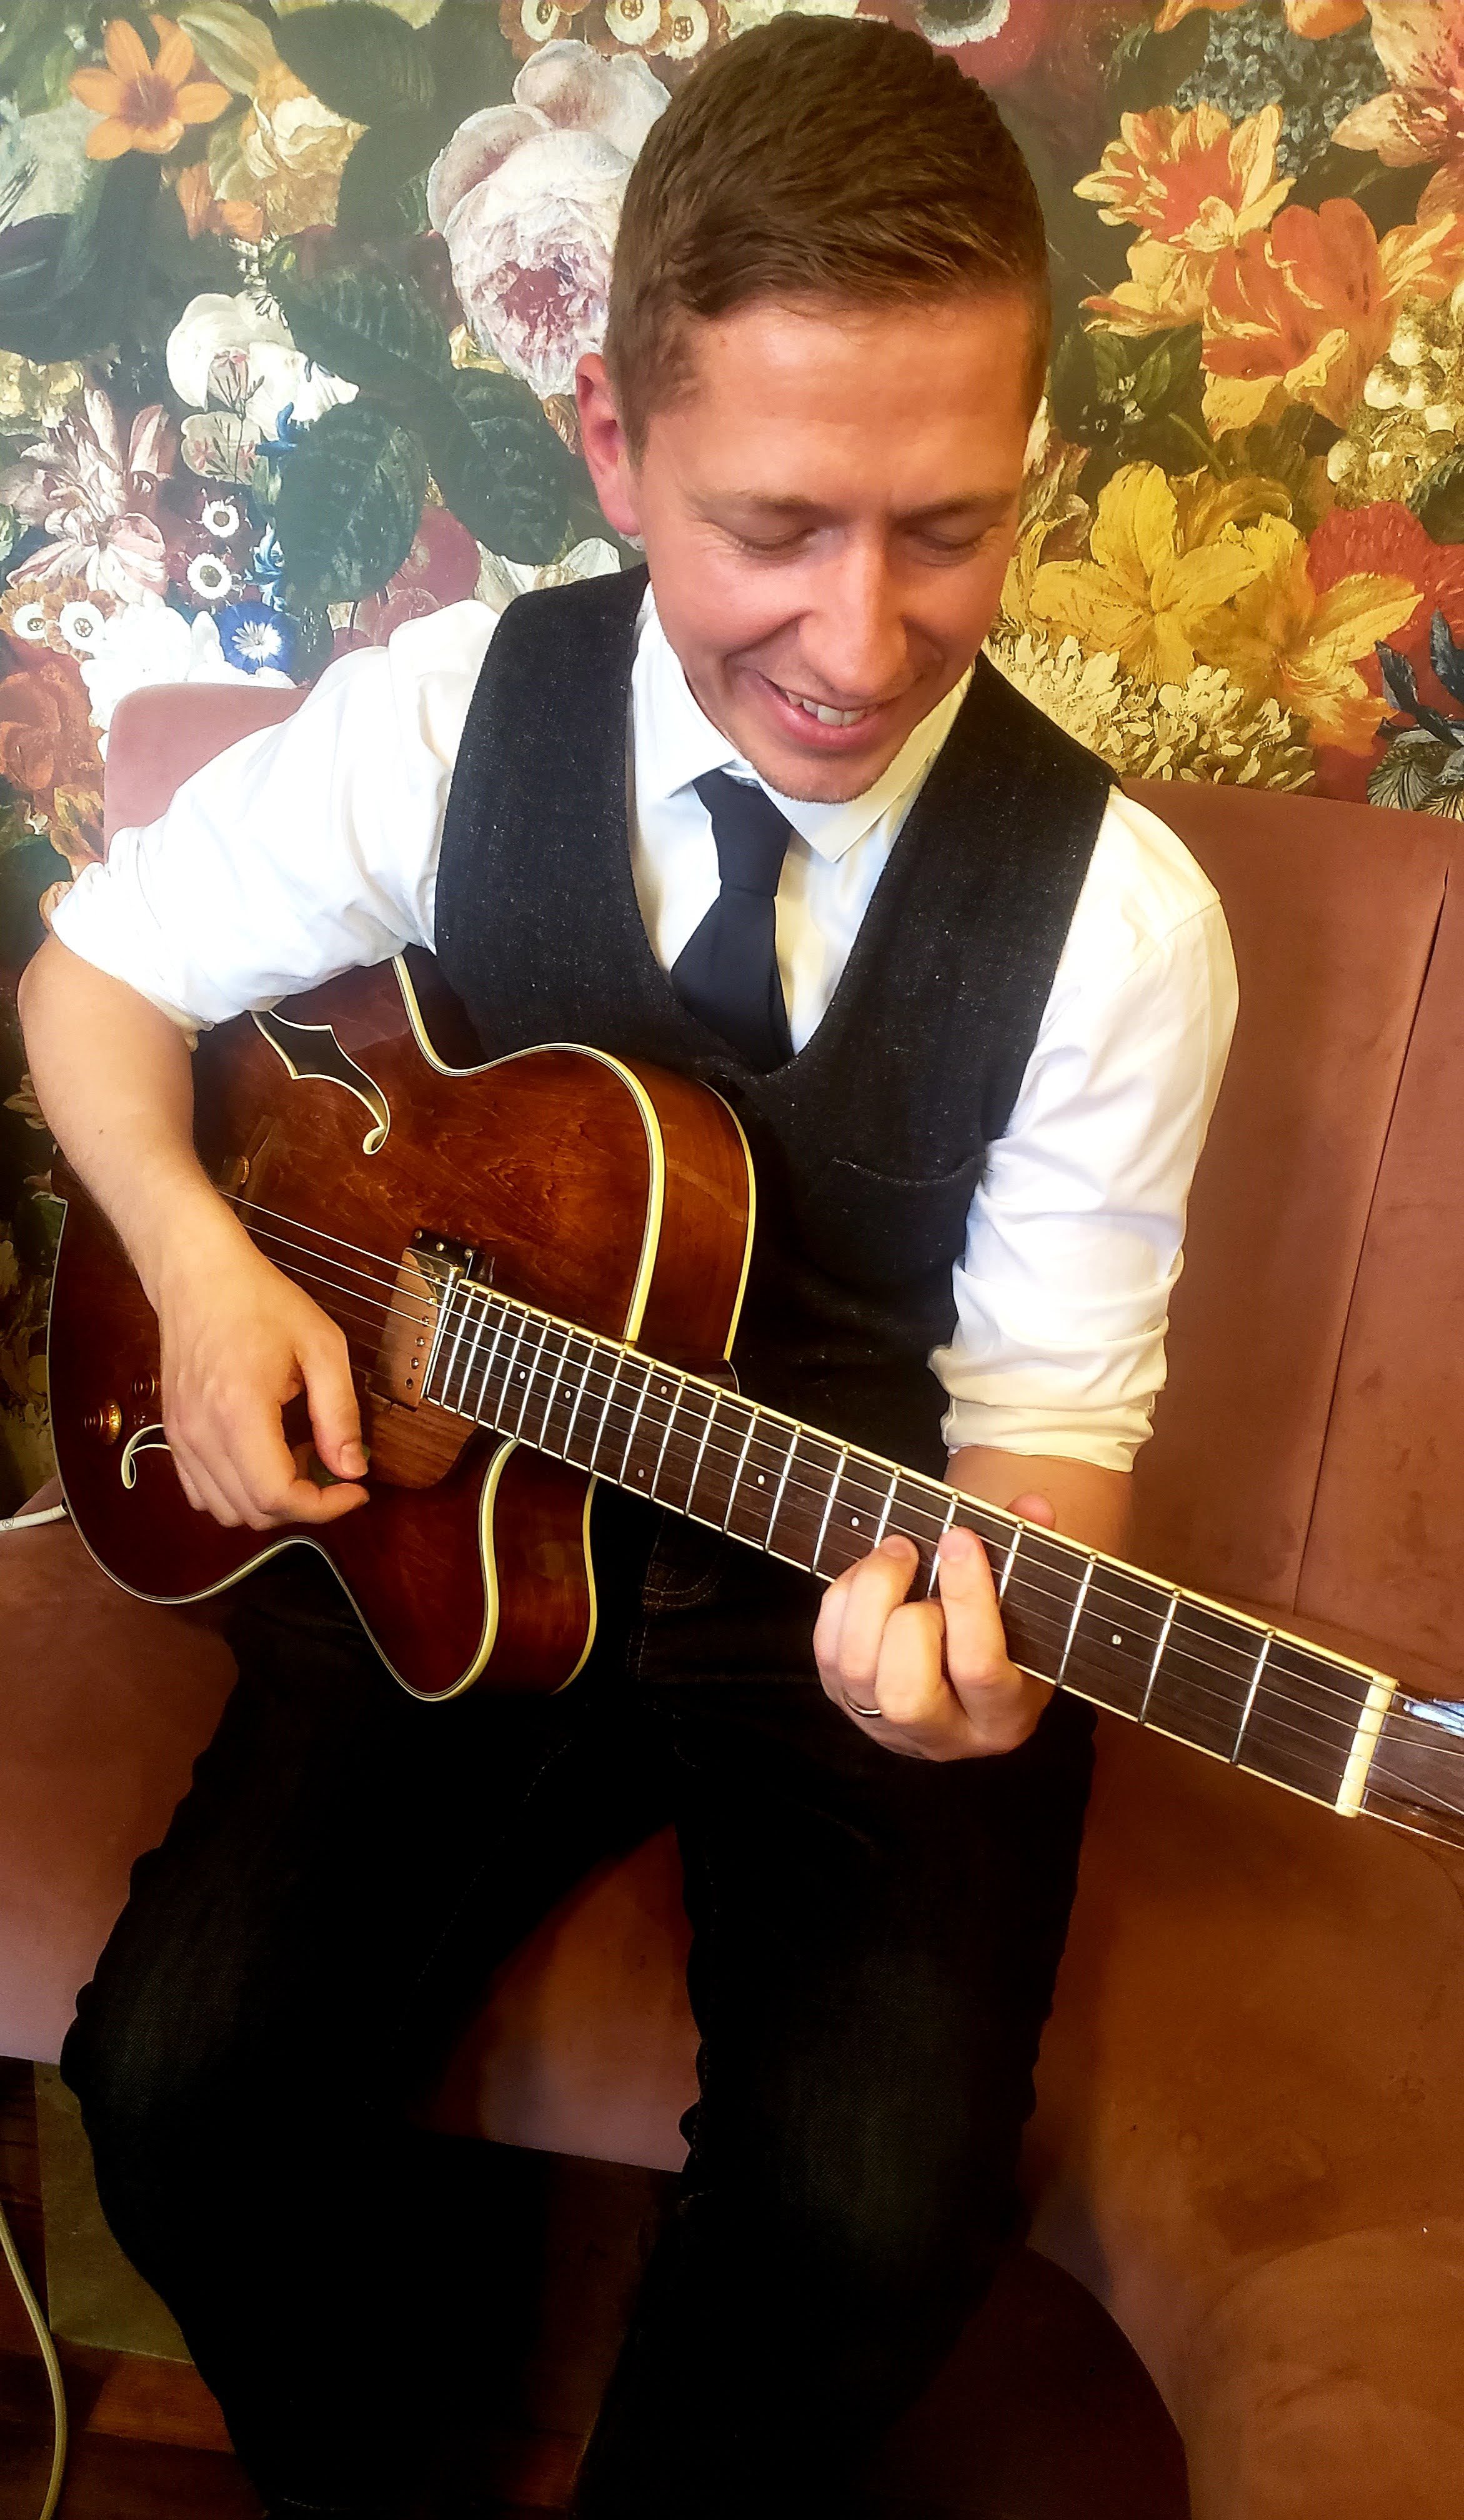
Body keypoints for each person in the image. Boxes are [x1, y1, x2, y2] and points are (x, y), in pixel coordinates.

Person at [17, 17, 1236, 2518]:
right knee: (182, 2090)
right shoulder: (444, 724)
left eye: (951, 528)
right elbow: (95, 983)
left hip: (847, 1576)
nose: (865, 635)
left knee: (874, 2210)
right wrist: (202, 1262)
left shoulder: (1120, 923)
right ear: (613, 450)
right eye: (771, 523)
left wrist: (971, 1679)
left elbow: (1052, 1431)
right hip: (441, 1536)